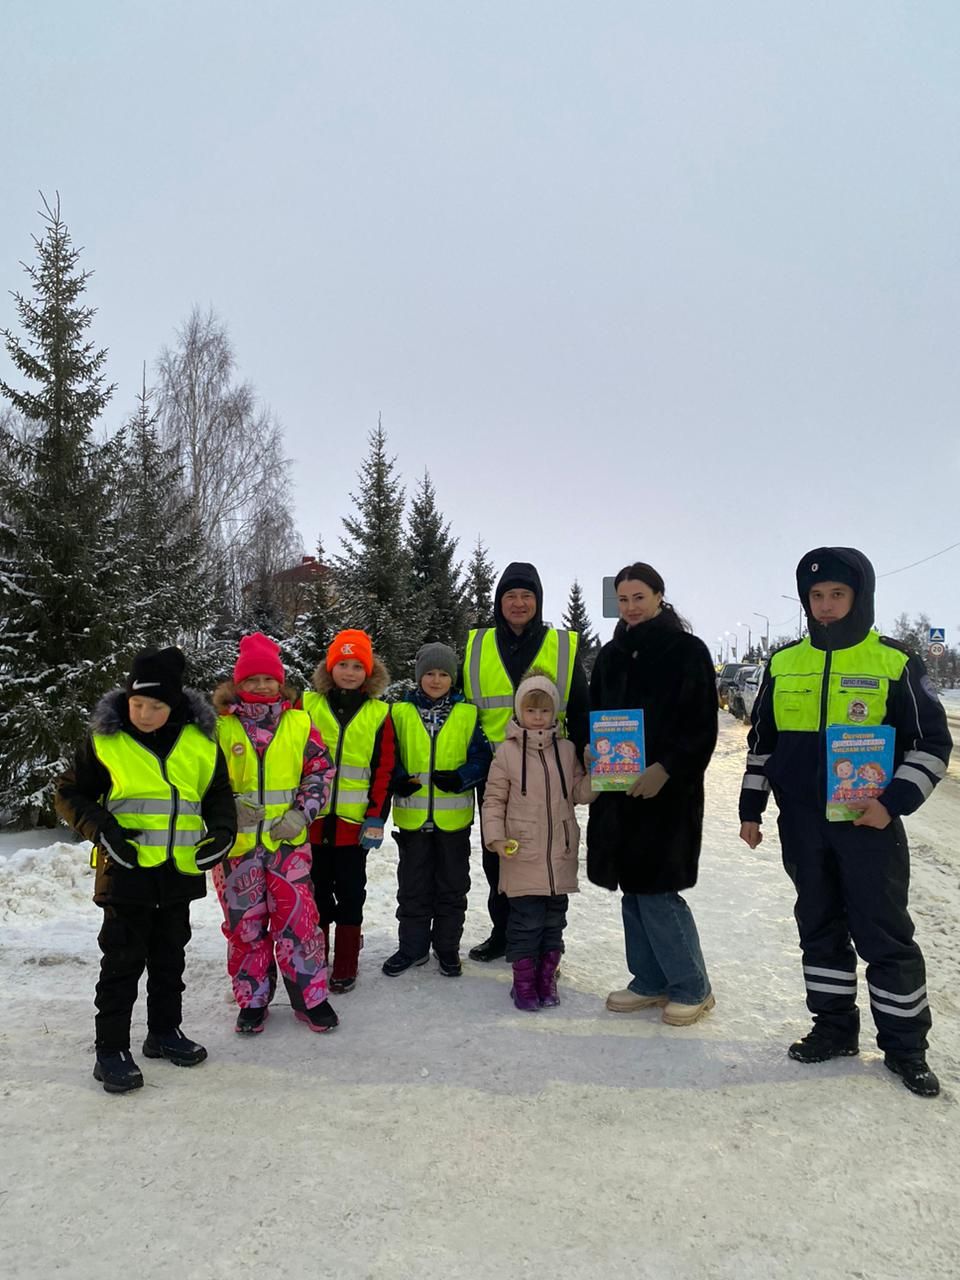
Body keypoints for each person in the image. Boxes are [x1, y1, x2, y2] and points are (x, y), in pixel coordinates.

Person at [739, 547, 952, 1097]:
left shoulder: (894, 662)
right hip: (803, 826)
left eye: (838, 594)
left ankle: (906, 1048)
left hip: (869, 826)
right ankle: (833, 1027)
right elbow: (762, 743)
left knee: (884, 932)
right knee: (819, 925)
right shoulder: (784, 664)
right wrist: (751, 809)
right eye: (817, 596)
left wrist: (893, 803)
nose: (827, 606)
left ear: (859, 597)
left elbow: (931, 745)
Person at [55, 647, 236, 1093]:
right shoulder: (106, 741)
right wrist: (103, 830)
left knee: (170, 958)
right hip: (126, 871)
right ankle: (111, 1049)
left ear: (173, 703)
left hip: (178, 871)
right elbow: (68, 794)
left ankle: (164, 1032)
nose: (144, 713)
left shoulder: (201, 743)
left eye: (155, 705)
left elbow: (217, 798)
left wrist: (222, 833)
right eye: (137, 703)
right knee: (121, 961)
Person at [587, 563, 718, 1027]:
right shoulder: (611, 656)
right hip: (618, 796)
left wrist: (667, 768)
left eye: (639, 597)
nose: (631, 607)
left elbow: (701, 725)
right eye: (622, 600)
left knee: (659, 891)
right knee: (631, 891)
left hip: (667, 797)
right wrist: (591, 748)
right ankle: (649, 979)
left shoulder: (687, 651)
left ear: (660, 596)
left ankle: (691, 986)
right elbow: (592, 712)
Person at [462, 562, 590, 962]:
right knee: (498, 853)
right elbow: (465, 712)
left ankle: (546, 942)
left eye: (527, 596)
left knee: (548, 853)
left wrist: (586, 761)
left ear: (538, 601)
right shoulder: (477, 645)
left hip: (550, 770)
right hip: (496, 772)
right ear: (499, 602)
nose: (518, 603)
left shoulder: (563, 646)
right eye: (510, 596)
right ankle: (504, 932)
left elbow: (582, 708)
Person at [213, 632, 338, 1034]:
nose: (261, 687)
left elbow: (321, 772)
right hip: (238, 849)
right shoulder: (220, 728)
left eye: (268, 679)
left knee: (299, 922)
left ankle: (311, 997)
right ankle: (252, 999)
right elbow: (202, 781)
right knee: (245, 927)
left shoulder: (300, 723)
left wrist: (303, 815)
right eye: (252, 680)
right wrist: (227, 809)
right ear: (238, 684)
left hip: (288, 845)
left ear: (281, 683)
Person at [481, 674, 594, 1009]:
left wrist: (598, 776)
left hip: (560, 851)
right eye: (531, 710)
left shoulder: (567, 749)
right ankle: (524, 982)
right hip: (522, 850)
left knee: (554, 921)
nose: (539, 717)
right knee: (526, 922)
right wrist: (496, 838)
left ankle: (547, 978)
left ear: (555, 713)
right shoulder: (507, 753)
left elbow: (578, 793)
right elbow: (493, 800)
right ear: (520, 711)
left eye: (545, 711)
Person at [384, 643, 492, 978]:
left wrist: (462, 778)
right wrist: (398, 779)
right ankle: (412, 948)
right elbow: (388, 756)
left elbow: (482, 759)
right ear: (418, 676)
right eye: (429, 673)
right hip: (414, 820)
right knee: (413, 887)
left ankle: (446, 949)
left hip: (453, 822)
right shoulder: (398, 712)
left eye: (443, 674)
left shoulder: (468, 714)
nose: (436, 679)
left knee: (452, 887)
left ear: (453, 678)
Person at [300, 629, 395, 993]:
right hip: (311, 822)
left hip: (353, 827)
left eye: (358, 666)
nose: (350, 672)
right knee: (317, 892)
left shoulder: (378, 713)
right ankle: (318, 955)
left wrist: (376, 817)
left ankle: (346, 962)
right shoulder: (307, 706)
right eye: (343, 664)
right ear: (330, 667)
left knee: (352, 893)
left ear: (369, 673)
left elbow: (384, 769)